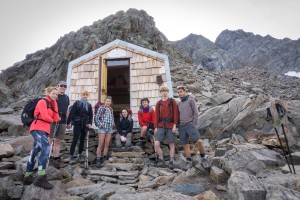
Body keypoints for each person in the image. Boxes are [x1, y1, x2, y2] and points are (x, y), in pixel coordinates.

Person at [23, 87, 60, 189]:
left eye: (57, 94)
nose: (55, 96)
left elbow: (56, 118)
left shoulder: (53, 104)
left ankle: (27, 176)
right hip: (37, 127)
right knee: (46, 148)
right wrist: (52, 118)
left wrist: (55, 107)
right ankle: (41, 177)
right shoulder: (42, 102)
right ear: (48, 93)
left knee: (34, 152)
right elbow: (44, 116)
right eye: (53, 93)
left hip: (44, 130)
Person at [177, 86, 210, 171]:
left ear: (185, 92)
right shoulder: (179, 104)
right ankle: (188, 161)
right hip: (182, 126)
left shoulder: (191, 100)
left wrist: (194, 124)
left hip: (190, 125)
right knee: (185, 144)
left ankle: (203, 158)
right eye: (178, 92)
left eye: (181, 91)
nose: (180, 93)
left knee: (198, 141)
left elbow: (196, 112)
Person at [154, 86, 179, 169]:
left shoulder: (172, 102)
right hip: (161, 125)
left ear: (167, 92)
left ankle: (171, 160)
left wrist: (175, 125)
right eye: (162, 91)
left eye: (165, 91)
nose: (164, 92)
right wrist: (155, 127)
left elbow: (176, 114)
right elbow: (156, 116)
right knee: (156, 144)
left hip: (170, 125)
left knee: (171, 143)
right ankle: (161, 160)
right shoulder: (159, 103)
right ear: (160, 93)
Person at [67, 91, 93, 165]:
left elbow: (91, 115)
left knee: (82, 140)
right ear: (81, 95)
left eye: (86, 95)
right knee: (75, 139)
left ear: (88, 96)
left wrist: (90, 123)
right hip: (77, 123)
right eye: (83, 95)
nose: (85, 96)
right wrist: (69, 123)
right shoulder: (77, 103)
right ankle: (71, 156)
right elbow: (72, 113)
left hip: (85, 125)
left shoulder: (89, 105)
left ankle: (79, 155)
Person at [49, 81, 69, 168]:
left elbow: (67, 109)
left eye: (65, 86)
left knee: (58, 140)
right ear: (57, 86)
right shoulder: (54, 96)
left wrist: (68, 121)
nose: (63, 87)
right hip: (53, 120)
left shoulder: (67, 97)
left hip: (63, 121)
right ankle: (46, 156)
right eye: (61, 86)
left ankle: (55, 157)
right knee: (50, 139)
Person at [95, 96, 115, 168]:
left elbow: (112, 117)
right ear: (105, 101)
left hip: (109, 128)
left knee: (107, 143)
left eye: (109, 101)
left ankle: (105, 157)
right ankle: (98, 158)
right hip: (102, 128)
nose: (108, 102)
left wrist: (113, 124)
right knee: (101, 143)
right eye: (107, 101)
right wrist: (101, 125)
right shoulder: (101, 108)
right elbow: (96, 118)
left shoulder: (111, 109)